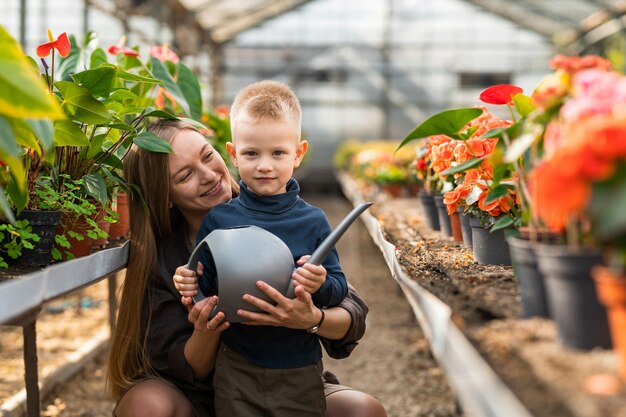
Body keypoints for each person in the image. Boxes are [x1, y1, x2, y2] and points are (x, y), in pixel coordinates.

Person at [107, 118, 387, 417]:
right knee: (146, 405)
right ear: (165, 198)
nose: (208, 175)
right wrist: (207, 327)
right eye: (185, 175)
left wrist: (310, 318)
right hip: (197, 397)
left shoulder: (279, 216)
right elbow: (191, 371)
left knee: (364, 410)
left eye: (207, 156)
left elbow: (351, 311)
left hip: (284, 386)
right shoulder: (166, 261)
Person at [193, 80, 348, 417]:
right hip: (236, 364)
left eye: (278, 153)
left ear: (299, 153)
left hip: (298, 366)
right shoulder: (220, 219)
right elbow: (203, 284)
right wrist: (191, 286)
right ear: (233, 154)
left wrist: (319, 284)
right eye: (251, 153)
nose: (264, 165)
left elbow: (337, 289)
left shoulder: (313, 221)